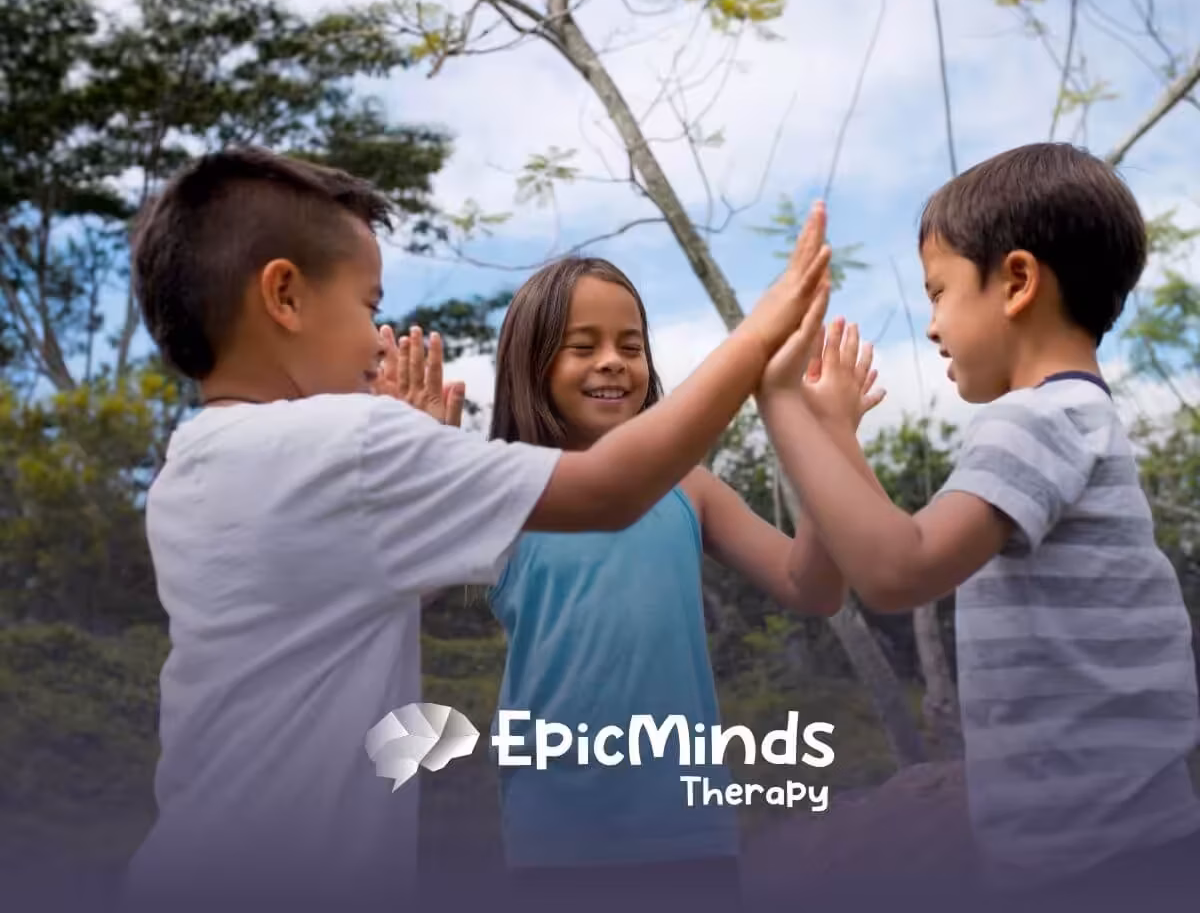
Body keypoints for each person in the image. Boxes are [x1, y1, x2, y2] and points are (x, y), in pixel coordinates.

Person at [118, 146, 834, 911]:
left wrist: (406, 465)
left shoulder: (190, 470)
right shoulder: (349, 446)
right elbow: (610, 489)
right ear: (285, 296)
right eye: (368, 306)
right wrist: (759, 337)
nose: (376, 340)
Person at [757, 143, 1200, 907]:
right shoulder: (1075, 417)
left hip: (1097, 865)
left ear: (1018, 282)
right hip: (1126, 839)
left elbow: (898, 571)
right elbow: (912, 539)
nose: (932, 326)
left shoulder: (1035, 419)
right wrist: (836, 437)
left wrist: (779, 399)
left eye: (939, 293)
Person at [481, 252, 886, 908]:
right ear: (530, 366)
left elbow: (812, 586)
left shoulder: (689, 489)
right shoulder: (501, 491)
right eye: (582, 347)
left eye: (630, 345)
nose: (613, 361)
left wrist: (831, 439)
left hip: (689, 833)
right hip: (555, 840)